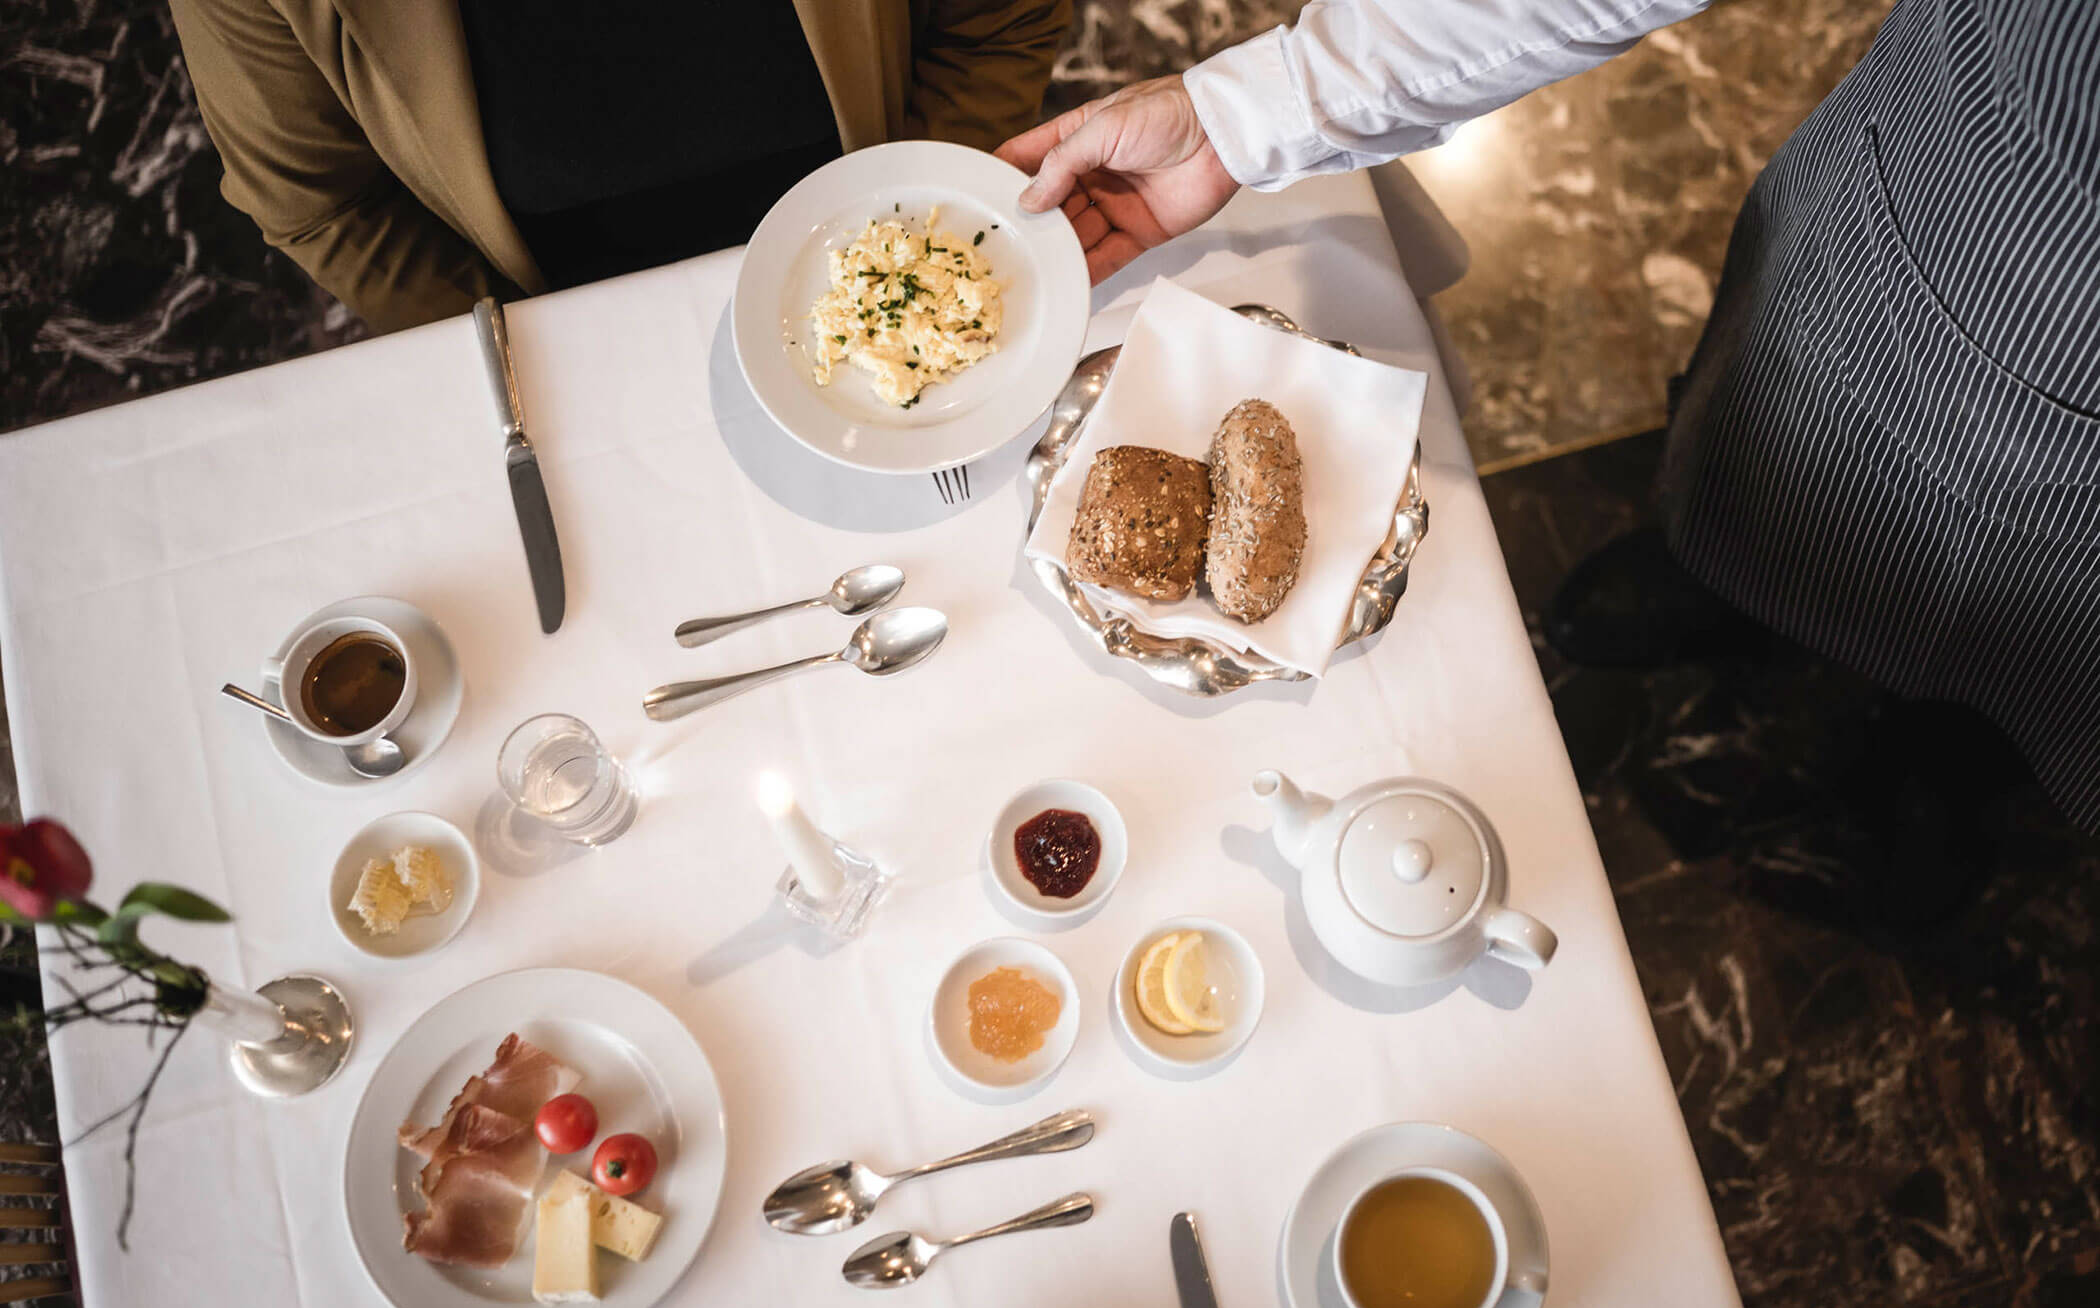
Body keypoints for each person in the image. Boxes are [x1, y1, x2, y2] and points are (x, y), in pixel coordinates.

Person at [998, 0, 2100, 841]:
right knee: (1756, 463)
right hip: (1904, 205)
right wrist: (1246, 115)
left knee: (2014, 681)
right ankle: (1726, 576)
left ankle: (1937, 783)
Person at [170, 0, 1071, 332]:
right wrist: (536, 361)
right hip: (546, 317)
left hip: (896, 259)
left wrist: (918, 267)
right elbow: (324, 207)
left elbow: (995, 28)